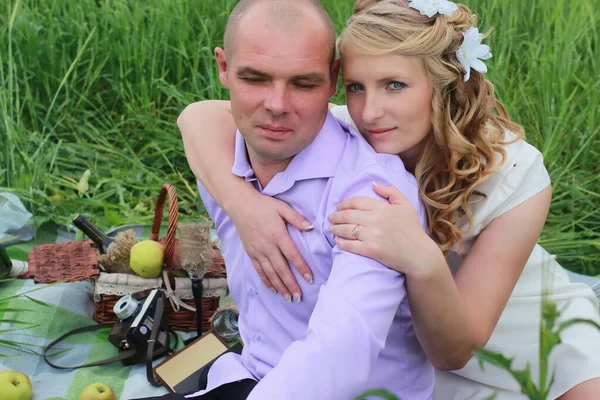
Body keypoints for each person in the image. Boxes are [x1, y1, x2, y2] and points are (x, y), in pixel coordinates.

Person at [178, 0, 600, 399]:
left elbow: (456, 350)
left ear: (442, 84)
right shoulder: (351, 129)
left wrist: (421, 256)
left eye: (394, 85)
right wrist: (245, 207)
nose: (370, 111)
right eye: (356, 88)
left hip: (505, 326)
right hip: (403, 342)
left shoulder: (516, 174)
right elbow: (196, 118)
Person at [172, 0, 434, 399]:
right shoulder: (222, 154)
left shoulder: (371, 196)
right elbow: (195, 116)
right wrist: (242, 204)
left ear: (332, 80)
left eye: (303, 83)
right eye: (256, 79)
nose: (277, 105)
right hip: (250, 373)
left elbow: (337, 356)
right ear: (223, 68)